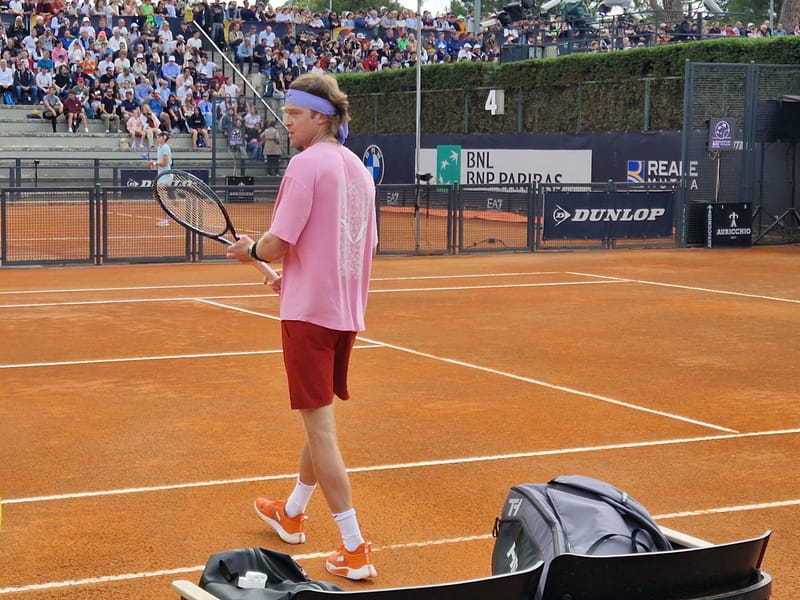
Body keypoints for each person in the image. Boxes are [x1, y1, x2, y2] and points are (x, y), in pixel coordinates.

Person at [226, 72, 378, 582]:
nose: (285, 122)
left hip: (309, 316)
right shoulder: (357, 168)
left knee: (321, 428)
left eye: (294, 114)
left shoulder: (305, 165)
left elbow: (274, 244)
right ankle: (291, 512)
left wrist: (250, 252)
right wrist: (294, 277)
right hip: (343, 314)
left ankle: (354, 548)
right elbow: (359, 246)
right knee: (319, 418)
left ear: (321, 117)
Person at [149, 131, 172, 227]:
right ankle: (168, 216)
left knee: (162, 197)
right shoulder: (159, 148)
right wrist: (153, 165)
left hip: (166, 176)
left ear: (164, 138)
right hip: (161, 175)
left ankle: (167, 218)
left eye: (159, 136)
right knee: (159, 197)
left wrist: (155, 163)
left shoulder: (165, 148)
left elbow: (165, 163)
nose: (157, 138)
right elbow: (159, 164)